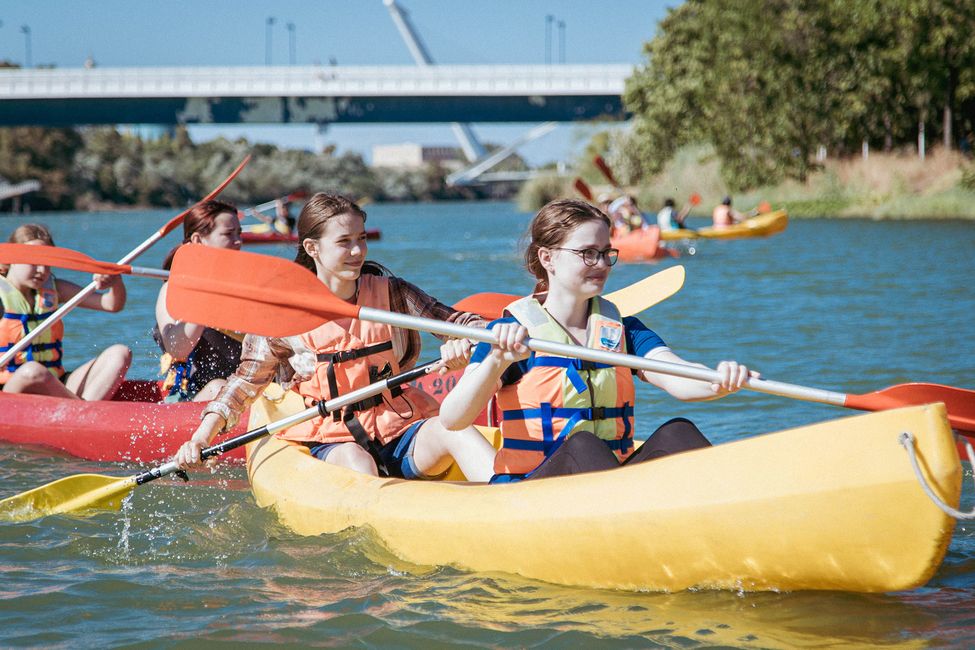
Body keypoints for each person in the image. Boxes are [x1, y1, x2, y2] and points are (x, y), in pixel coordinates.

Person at [174, 193, 496, 481]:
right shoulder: (282, 313)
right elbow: (244, 384)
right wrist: (201, 438)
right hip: (333, 439)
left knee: (457, 431)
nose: (357, 251)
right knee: (359, 462)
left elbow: (456, 322)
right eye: (344, 242)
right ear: (312, 248)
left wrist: (473, 339)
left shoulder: (392, 292)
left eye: (361, 238)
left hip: (400, 426)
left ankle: (505, 500)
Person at [439, 199, 756, 482]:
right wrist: (497, 360)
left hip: (606, 487)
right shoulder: (510, 333)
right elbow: (453, 418)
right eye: (588, 254)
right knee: (583, 444)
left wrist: (717, 382)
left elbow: (677, 376)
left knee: (678, 433)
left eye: (606, 253)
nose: (602, 264)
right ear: (547, 258)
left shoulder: (624, 330)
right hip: (533, 492)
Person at [0, 223, 131, 400]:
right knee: (32, 371)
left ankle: (82, 415)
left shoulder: (56, 289)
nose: (42, 271)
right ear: (12, 259)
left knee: (120, 353)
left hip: (57, 383)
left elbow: (111, 304)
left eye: (47, 264)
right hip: (11, 389)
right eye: (34, 262)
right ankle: (83, 414)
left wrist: (114, 281)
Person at [154, 200, 244, 402]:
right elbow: (177, 348)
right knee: (220, 387)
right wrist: (205, 297)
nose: (238, 241)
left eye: (240, 233)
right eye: (228, 234)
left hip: (241, 393)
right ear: (198, 239)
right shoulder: (171, 289)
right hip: (193, 397)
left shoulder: (244, 287)